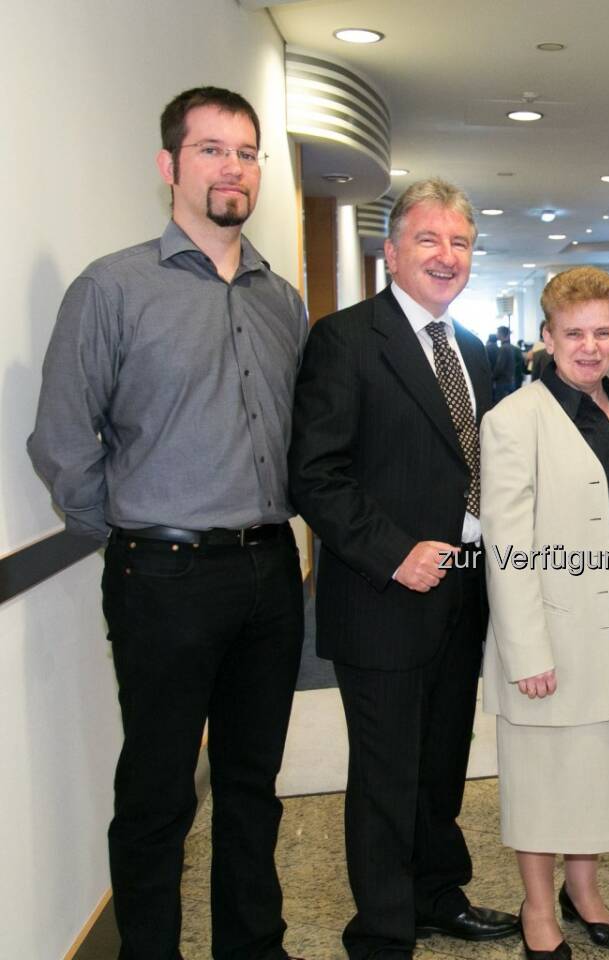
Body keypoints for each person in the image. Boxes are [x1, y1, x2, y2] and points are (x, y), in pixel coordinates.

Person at [27, 86, 306, 960]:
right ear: (170, 166)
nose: (234, 168)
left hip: (270, 571)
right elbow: (63, 440)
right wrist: (131, 532)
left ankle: (250, 947)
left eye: (247, 152)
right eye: (213, 150)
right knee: (158, 791)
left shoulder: (281, 300)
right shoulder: (113, 288)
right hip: (165, 578)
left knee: (253, 787)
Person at [289, 177, 519, 959]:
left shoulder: (475, 349)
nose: (446, 256)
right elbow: (316, 474)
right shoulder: (346, 339)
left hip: (463, 591)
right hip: (382, 596)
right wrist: (395, 553)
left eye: (459, 242)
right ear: (391, 252)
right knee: (387, 773)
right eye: (428, 240)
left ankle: (435, 894)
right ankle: (383, 930)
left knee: (442, 761)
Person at [480, 267, 609, 960]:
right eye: (574, 333)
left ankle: (581, 890)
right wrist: (527, 652)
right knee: (543, 776)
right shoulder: (513, 420)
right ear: (547, 337)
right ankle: (536, 905)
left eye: (602, 332)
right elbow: (507, 545)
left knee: (599, 772)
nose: (590, 347)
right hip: (549, 633)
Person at [489, 324, 522, 400]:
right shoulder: (511, 347)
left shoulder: (503, 348)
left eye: (498, 333)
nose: (496, 335)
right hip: (510, 380)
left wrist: (493, 377)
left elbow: (500, 366)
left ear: (501, 334)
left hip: (503, 382)